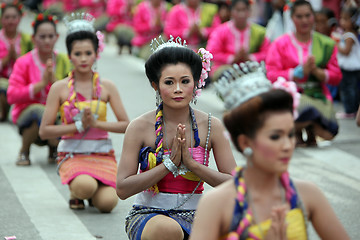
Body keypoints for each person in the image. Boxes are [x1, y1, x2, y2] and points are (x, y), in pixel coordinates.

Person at [189, 61, 350, 240]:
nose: (288, 145)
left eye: (290, 134)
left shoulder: (308, 195)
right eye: (275, 137)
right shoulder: (217, 204)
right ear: (245, 142)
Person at [116, 36, 236, 239]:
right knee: (168, 230)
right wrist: (169, 165)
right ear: (155, 85)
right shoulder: (139, 127)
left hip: (198, 215)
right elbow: (122, 188)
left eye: (185, 81)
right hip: (150, 215)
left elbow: (236, 184)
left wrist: (193, 165)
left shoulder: (211, 126)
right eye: (169, 82)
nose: (178, 89)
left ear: (196, 83)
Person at [39, 12, 129, 212]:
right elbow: (44, 131)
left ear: (97, 54)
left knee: (107, 204)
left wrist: (96, 125)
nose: (83, 59)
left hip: (102, 154)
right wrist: (77, 126)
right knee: (85, 186)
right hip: (73, 154)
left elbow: (126, 125)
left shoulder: (107, 87)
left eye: (88, 53)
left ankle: (90, 190)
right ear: (69, 55)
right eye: (77, 54)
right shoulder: (60, 88)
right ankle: (78, 190)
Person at [266, 0, 342, 147]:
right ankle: (298, 130)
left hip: (318, 95)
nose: (304, 20)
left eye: (308, 15)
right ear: (292, 18)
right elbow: (271, 74)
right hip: (290, 98)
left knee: (330, 132)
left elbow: (337, 77)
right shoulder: (280, 43)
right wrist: (296, 73)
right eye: (299, 16)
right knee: (302, 107)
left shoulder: (326, 43)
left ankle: (307, 127)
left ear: (314, 16)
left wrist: (317, 72)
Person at [7, 12, 71, 166]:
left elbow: (73, 93)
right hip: (29, 117)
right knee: (38, 110)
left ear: (57, 37)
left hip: (56, 117)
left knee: (64, 111)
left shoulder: (64, 60)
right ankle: (25, 150)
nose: (47, 40)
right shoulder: (24, 62)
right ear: (33, 38)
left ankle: (54, 149)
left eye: (50, 36)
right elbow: (12, 96)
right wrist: (41, 84)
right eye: (42, 37)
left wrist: (54, 81)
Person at [206, 0, 270, 82]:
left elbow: (268, 53)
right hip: (225, 69)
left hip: (251, 68)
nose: (241, 14)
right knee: (227, 74)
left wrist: (250, 57)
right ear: (231, 11)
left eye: (244, 10)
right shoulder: (220, 31)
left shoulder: (259, 32)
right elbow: (211, 53)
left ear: (249, 11)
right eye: (238, 10)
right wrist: (233, 58)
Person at [0, 1, 33, 122]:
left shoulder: (28, 40)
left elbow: (32, 63)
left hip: (21, 81)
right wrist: (7, 58)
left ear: (20, 18)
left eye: (14, 17)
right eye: (7, 17)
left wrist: (18, 58)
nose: (11, 21)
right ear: (1, 19)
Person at [335, 7, 360, 119]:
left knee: (348, 89)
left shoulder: (349, 36)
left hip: (350, 68)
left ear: (354, 21)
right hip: (350, 68)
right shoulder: (347, 34)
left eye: (346, 19)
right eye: (341, 18)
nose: (342, 21)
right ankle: (352, 110)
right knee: (350, 88)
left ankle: (350, 110)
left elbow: (346, 51)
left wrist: (336, 44)